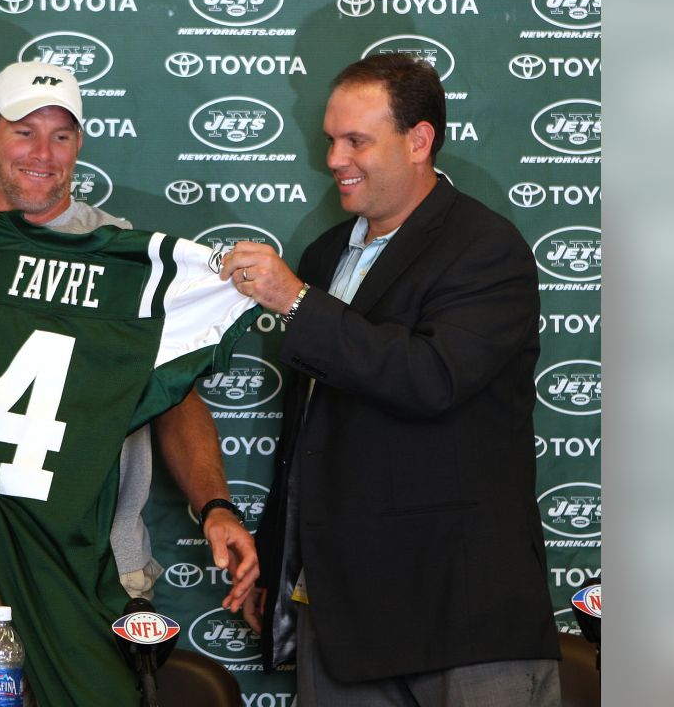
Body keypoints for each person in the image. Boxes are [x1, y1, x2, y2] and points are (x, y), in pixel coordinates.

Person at [0, 61, 259, 707]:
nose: (43, 154)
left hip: (97, 573)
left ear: (79, 145)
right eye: (24, 132)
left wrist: (215, 504)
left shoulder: (128, 262)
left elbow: (176, 402)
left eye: (61, 135)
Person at [221, 53, 561, 705]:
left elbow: (431, 378)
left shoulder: (486, 248)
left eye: (357, 141)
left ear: (419, 140)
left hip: (459, 624)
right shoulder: (324, 257)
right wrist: (278, 556)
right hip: (339, 619)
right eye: (330, 139)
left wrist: (297, 302)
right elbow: (310, 436)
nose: (334, 159)